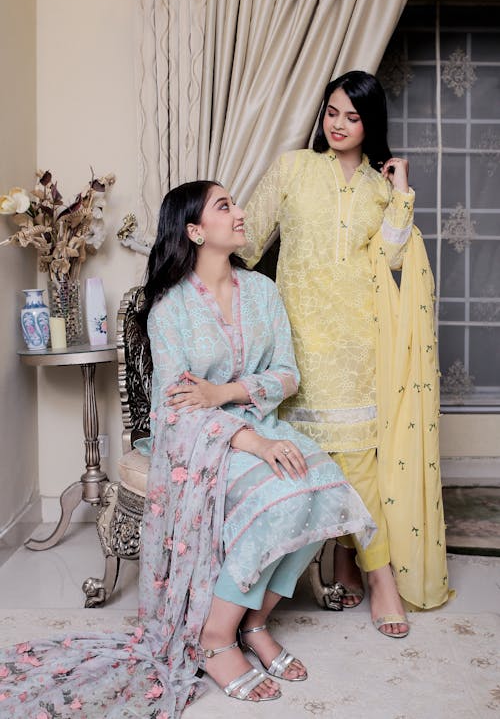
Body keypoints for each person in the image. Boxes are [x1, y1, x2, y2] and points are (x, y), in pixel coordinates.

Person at [0, 180, 375, 717]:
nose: (240, 213)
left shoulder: (263, 293)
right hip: (198, 441)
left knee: (326, 489)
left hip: (259, 422)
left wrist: (229, 395)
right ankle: (215, 637)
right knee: (285, 498)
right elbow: (176, 407)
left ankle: (255, 621)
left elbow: (287, 374)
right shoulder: (170, 309)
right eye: (225, 207)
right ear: (196, 230)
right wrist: (248, 439)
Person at [240, 70, 451, 637]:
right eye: (332, 112)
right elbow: (248, 240)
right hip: (296, 341)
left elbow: (395, 258)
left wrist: (402, 191)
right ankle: (304, 577)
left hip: (359, 343)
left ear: (369, 124)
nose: (338, 124)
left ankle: (378, 579)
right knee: (303, 460)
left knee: (358, 465)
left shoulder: (380, 189)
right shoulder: (292, 168)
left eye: (352, 117)